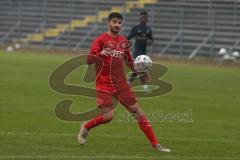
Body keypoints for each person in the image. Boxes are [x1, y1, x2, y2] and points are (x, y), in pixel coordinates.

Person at [77, 12, 170, 152]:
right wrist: (100, 54)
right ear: (109, 22)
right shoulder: (101, 40)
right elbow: (89, 60)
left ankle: (156, 145)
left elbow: (130, 61)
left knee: (137, 112)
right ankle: (86, 127)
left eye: (119, 22)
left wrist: (142, 73)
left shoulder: (123, 42)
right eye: (114, 21)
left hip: (121, 84)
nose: (117, 25)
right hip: (103, 84)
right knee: (108, 117)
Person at [127, 11, 153, 92]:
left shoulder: (148, 29)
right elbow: (128, 38)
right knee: (141, 68)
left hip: (144, 52)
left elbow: (151, 40)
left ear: (147, 18)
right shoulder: (135, 28)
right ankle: (145, 87)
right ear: (139, 18)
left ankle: (128, 83)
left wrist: (149, 42)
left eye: (145, 17)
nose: (143, 19)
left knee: (139, 69)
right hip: (136, 51)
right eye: (142, 17)